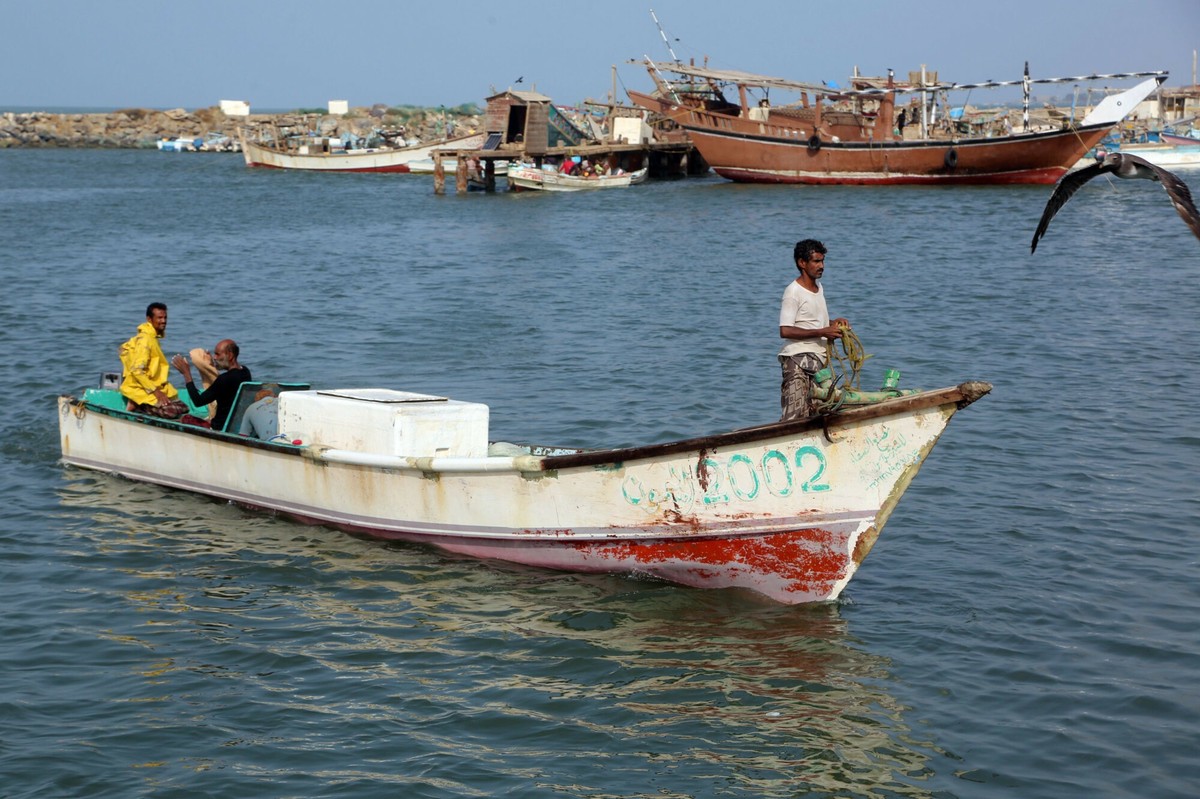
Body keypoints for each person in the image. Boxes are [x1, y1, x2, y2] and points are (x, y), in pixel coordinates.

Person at [777, 239, 850, 421]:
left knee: (819, 414)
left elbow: (814, 322)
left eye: (822, 261)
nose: (822, 266)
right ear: (802, 263)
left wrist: (833, 324)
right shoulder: (793, 292)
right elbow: (785, 330)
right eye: (816, 261)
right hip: (797, 362)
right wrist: (822, 332)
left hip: (818, 363)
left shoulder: (819, 288)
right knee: (794, 418)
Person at [119, 302, 188, 418]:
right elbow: (137, 370)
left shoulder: (153, 337)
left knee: (184, 408)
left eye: (165, 317)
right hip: (140, 388)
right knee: (171, 412)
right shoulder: (145, 340)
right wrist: (156, 392)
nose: (164, 321)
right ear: (149, 319)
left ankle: (144, 405)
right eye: (159, 318)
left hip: (153, 386)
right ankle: (137, 405)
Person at [170, 340, 251, 431]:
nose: (215, 357)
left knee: (186, 418)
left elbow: (198, 401)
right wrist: (213, 365)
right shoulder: (245, 372)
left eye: (217, 354)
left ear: (230, 355)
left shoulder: (224, 379)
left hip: (220, 427)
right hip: (237, 425)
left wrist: (186, 374)